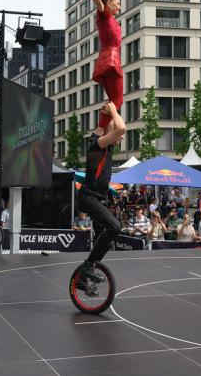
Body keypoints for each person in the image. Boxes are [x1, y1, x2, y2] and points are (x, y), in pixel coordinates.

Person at [76, 101, 125, 282]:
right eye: (116, 135)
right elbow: (120, 128)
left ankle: (83, 279)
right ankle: (88, 265)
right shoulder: (98, 144)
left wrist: (107, 114)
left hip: (99, 198)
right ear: (107, 133)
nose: (121, 137)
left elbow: (105, 126)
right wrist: (114, 111)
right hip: (89, 197)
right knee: (115, 227)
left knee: (104, 237)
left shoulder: (99, 138)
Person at [74, 0, 123, 131]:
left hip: (106, 60)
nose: (119, 6)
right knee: (118, 100)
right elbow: (100, 2)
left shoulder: (109, 19)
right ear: (110, 4)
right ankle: (100, 129)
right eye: (118, 2)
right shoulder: (105, 16)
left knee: (113, 100)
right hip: (111, 61)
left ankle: (102, 129)